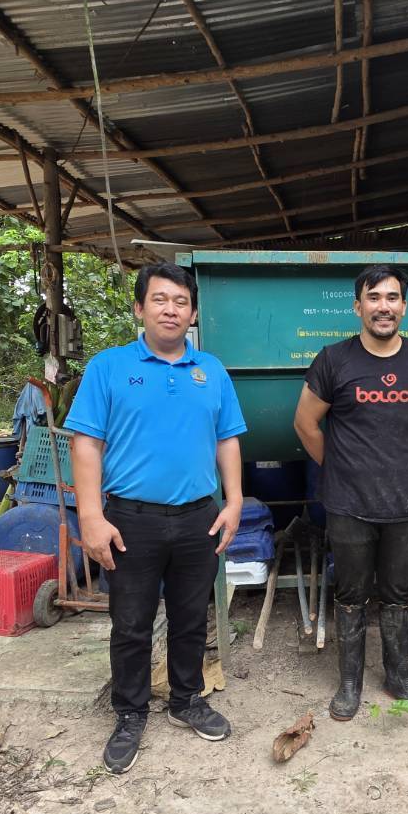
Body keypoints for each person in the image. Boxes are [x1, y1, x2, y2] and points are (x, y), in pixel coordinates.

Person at [69, 261, 246, 775]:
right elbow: (86, 443)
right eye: (160, 300)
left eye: (181, 302)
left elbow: (227, 439)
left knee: (191, 617)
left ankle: (187, 699)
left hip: (198, 518)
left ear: (193, 313)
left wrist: (234, 501)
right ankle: (130, 712)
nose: (171, 310)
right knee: (131, 622)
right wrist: (91, 515)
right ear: (139, 308)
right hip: (130, 519)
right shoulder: (108, 367)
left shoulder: (211, 370)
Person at [293, 265, 408, 720]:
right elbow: (305, 423)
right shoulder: (334, 359)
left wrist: (399, 463)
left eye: (392, 298)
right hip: (349, 504)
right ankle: (349, 683)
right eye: (374, 298)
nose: (384, 306)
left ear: (404, 307)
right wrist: (343, 466)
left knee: (399, 593)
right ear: (358, 306)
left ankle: (401, 678)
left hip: (405, 502)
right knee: (351, 593)